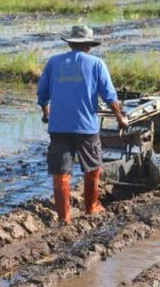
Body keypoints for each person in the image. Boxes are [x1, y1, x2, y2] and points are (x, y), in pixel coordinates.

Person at [37, 25, 129, 225]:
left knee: (60, 173)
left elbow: (42, 93)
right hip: (86, 127)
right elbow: (110, 96)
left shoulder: (53, 62)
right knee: (93, 168)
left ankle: (64, 218)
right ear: (89, 45)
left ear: (70, 43)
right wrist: (120, 118)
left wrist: (46, 114)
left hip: (58, 127)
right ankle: (91, 207)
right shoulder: (96, 64)